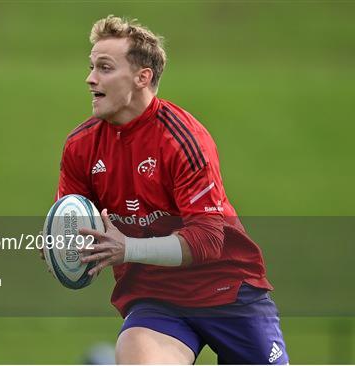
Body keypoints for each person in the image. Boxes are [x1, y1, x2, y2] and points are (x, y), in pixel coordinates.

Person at [54, 15, 289, 364]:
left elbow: (209, 240)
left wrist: (127, 247)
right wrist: (63, 244)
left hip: (228, 291)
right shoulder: (80, 146)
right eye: (91, 67)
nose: (90, 79)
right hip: (155, 300)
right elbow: (75, 220)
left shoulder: (182, 139)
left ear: (142, 77)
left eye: (104, 68)